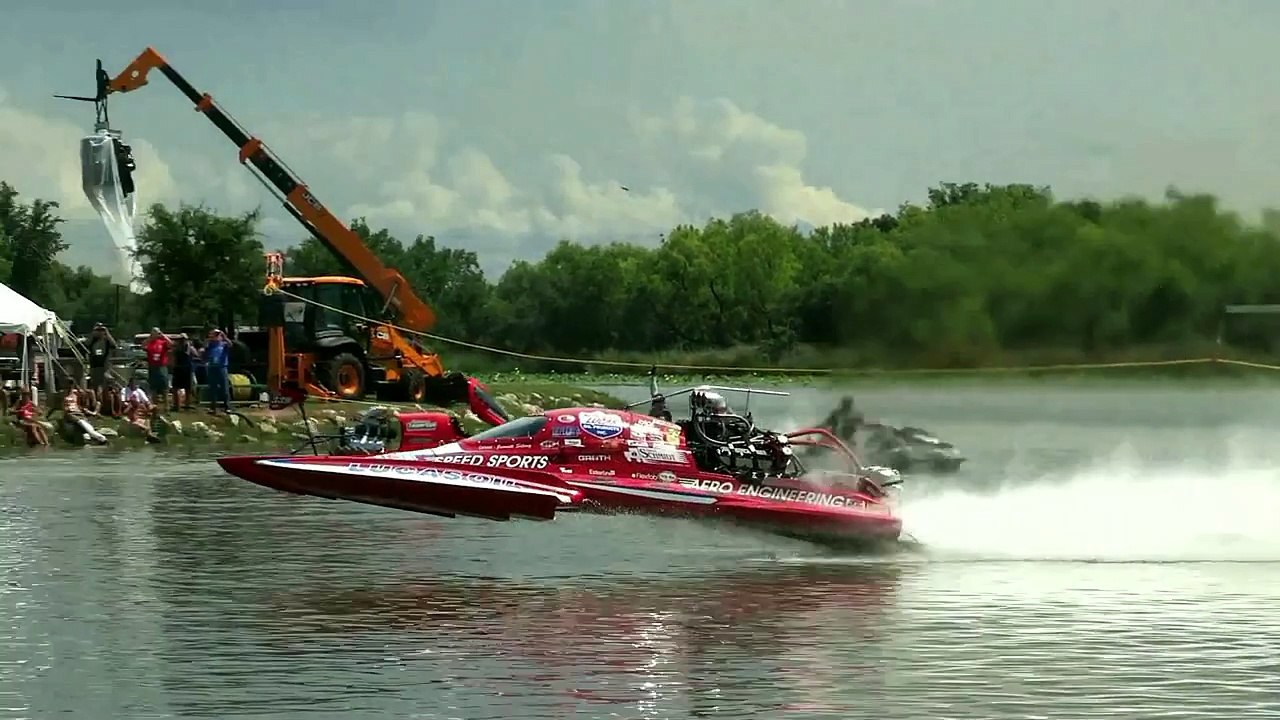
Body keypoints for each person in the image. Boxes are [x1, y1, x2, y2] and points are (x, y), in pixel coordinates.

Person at [85, 322, 117, 406]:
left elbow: (114, 345)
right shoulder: (92, 341)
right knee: (95, 385)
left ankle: (104, 403)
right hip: (94, 366)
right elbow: (85, 345)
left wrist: (107, 333)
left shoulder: (107, 340)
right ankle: (96, 404)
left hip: (105, 366)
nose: (100, 332)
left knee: (104, 385)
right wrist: (92, 334)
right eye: (98, 330)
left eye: (101, 330)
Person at [203, 328, 233, 415]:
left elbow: (230, 344)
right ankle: (213, 407)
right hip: (212, 368)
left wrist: (224, 336)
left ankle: (227, 407)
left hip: (222, 367)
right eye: (214, 335)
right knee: (213, 388)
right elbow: (204, 348)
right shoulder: (210, 345)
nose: (216, 337)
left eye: (217, 335)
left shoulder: (224, 344)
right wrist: (209, 338)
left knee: (224, 388)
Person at [122, 377, 161, 442]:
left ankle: (152, 427)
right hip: (133, 412)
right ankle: (149, 434)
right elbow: (123, 405)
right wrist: (130, 405)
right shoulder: (125, 390)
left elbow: (146, 401)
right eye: (134, 383)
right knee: (145, 427)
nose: (135, 384)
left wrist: (149, 406)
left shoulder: (139, 390)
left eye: (136, 383)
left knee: (154, 408)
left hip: (140, 406)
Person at [144, 327, 173, 411]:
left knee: (165, 388)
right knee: (154, 389)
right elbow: (143, 345)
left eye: (156, 333)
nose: (155, 334)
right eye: (153, 333)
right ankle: (155, 408)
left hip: (162, 367)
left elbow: (170, 343)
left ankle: (166, 408)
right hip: (152, 367)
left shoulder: (162, 342)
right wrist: (150, 338)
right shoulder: (149, 343)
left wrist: (162, 335)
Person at [170, 332, 198, 411]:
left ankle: (187, 404)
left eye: (183, 339)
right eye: (180, 339)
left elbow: (196, 354)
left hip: (187, 369)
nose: (182, 341)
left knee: (188, 388)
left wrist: (190, 348)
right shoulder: (176, 348)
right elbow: (173, 356)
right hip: (178, 368)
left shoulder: (190, 348)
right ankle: (176, 405)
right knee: (175, 388)